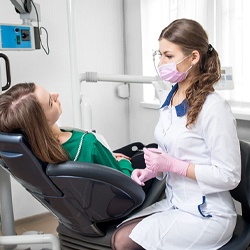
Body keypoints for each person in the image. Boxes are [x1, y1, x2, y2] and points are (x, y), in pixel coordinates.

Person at [111, 18, 241, 250]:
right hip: (177, 202)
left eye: (168, 56)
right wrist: (153, 170)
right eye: (159, 55)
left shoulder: (214, 108)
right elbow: (172, 148)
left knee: (124, 242)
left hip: (208, 214)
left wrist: (176, 166)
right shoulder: (170, 98)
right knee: (118, 234)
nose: (161, 63)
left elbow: (229, 176)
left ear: (194, 57)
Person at [0, 82, 135, 176]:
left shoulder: (31, 153)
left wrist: (106, 157)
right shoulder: (87, 144)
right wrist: (123, 163)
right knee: (144, 151)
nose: (56, 95)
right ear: (42, 123)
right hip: (121, 202)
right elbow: (126, 183)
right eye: (50, 102)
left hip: (83, 210)